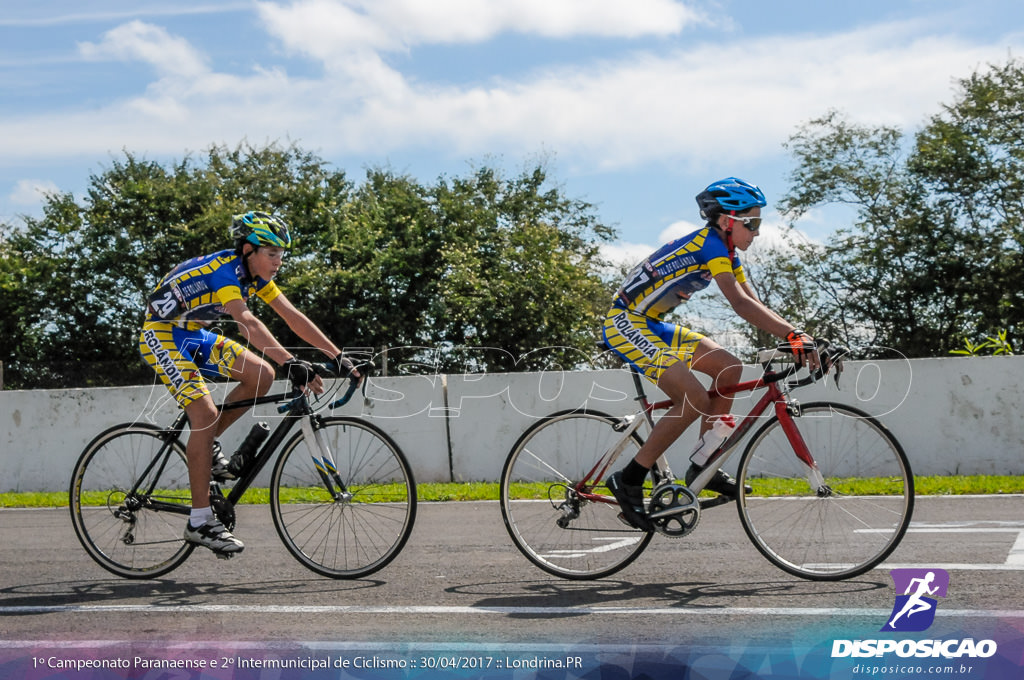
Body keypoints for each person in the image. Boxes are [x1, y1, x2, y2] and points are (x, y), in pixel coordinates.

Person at [603, 177, 819, 531]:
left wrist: (799, 335)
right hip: (625, 322)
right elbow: (737, 303)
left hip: (650, 323)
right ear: (727, 221)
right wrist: (793, 335)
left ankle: (704, 462)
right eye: (753, 223)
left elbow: (751, 300)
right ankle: (628, 479)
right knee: (693, 397)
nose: (758, 232)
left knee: (729, 368)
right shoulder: (711, 246)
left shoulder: (726, 251)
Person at [139, 210, 357, 556]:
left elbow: (291, 316)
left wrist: (337, 356)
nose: (278, 261)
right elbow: (247, 322)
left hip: (192, 334)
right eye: (271, 253)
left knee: (262, 375)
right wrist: (290, 362)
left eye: (281, 254)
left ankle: (207, 446)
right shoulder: (226, 272)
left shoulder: (254, 277)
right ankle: (199, 521)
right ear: (248, 250)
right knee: (204, 413)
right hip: (162, 335)